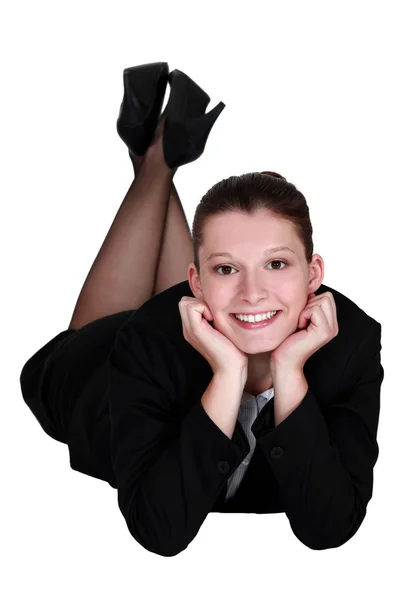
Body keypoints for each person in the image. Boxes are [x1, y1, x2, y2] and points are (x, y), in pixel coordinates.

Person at [19, 64, 384, 558]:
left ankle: (158, 154)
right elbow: (160, 533)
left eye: (276, 263)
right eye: (227, 269)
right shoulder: (146, 340)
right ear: (194, 281)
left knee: (227, 303)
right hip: (96, 381)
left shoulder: (353, 342)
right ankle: (156, 160)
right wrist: (228, 375)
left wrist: (290, 371)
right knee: (98, 331)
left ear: (314, 273)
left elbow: (330, 526)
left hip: (192, 326)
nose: (254, 291)